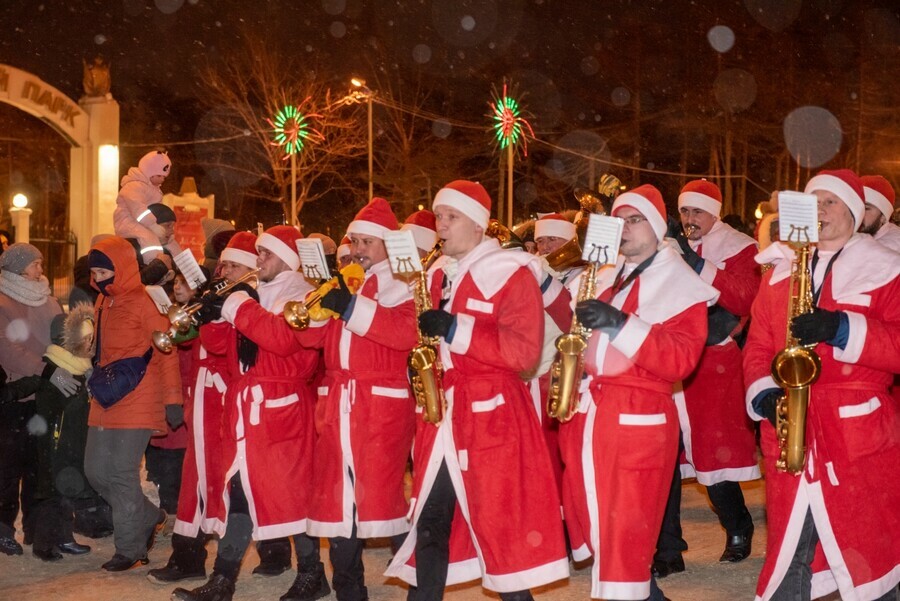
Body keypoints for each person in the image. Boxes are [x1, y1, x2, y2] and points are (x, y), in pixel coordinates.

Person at [386, 180, 569, 601]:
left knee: (499, 525)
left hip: (494, 416)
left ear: (478, 224)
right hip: (444, 415)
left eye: (451, 217)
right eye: (438, 217)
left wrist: (456, 329)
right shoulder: (435, 275)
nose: (441, 226)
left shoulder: (512, 273)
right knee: (431, 519)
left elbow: (523, 354)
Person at [744, 169, 900, 601]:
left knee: (867, 555)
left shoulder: (888, 269)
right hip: (790, 426)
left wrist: (844, 329)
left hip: (856, 434)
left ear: (854, 212)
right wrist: (764, 392)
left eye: (832, 202)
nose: (821, 210)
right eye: (814, 202)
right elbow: (757, 344)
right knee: (790, 549)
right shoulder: (779, 272)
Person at [560, 184, 717, 601]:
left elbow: (681, 359)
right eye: (619, 221)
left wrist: (619, 323)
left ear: (658, 225)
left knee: (626, 533)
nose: (624, 229)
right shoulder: (608, 275)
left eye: (635, 219)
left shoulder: (680, 282)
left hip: (637, 419)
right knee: (601, 528)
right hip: (593, 414)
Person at [172, 226, 325, 601]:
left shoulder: (303, 294)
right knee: (239, 494)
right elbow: (219, 346)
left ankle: (313, 573)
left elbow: (281, 339)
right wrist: (213, 313)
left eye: (266, 254)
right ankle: (223, 580)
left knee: (291, 497)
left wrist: (236, 305)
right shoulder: (254, 295)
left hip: (282, 409)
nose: (258, 261)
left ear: (286, 259)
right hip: (247, 408)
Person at [295, 197, 417, 601]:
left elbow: (404, 335)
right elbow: (309, 339)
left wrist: (350, 306)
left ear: (386, 245)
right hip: (338, 406)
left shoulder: (403, 284)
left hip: (378, 406)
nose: (359, 249)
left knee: (382, 497)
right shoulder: (347, 283)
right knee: (337, 503)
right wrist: (320, 309)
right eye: (356, 241)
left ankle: (419, 578)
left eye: (368, 242)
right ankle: (350, 591)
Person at [652, 180, 761, 577]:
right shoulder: (671, 244)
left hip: (715, 362)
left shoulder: (740, 246)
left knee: (714, 457)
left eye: (697, 211)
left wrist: (697, 263)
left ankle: (738, 525)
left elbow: (745, 298)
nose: (690, 219)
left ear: (715, 211)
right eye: (685, 212)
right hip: (672, 360)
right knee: (666, 457)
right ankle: (668, 549)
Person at [148, 232, 260, 586]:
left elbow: (219, 347)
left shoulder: (247, 302)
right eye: (224, 264)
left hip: (224, 399)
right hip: (203, 395)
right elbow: (183, 338)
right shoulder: (219, 297)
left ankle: (237, 559)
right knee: (193, 479)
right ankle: (187, 556)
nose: (224, 270)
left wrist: (214, 313)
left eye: (233, 265)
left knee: (220, 481)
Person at [82, 236, 182, 572]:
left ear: (121, 267)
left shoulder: (146, 302)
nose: (98, 278)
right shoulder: (102, 302)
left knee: (122, 474)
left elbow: (166, 352)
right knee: (95, 472)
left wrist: (172, 400)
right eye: (94, 271)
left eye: (104, 270)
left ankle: (130, 549)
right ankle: (151, 515)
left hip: (139, 396)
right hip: (106, 396)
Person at [0, 243, 65, 555]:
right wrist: (45, 369)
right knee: (8, 468)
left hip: (46, 395)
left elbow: (62, 337)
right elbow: (8, 350)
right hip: (15, 396)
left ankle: (37, 530)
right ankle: (2, 528)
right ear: (18, 267)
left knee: (40, 468)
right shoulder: (2, 301)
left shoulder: (48, 300)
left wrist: (67, 361)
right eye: (35, 264)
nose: (41, 269)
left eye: (41, 263)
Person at [25, 306, 96, 561]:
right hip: (54, 443)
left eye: (91, 338)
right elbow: (45, 405)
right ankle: (44, 544)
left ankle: (65, 537)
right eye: (85, 339)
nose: (91, 344)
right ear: (70, 341)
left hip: (72, 442)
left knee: (68, 489)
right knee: (51, 494)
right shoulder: (56, 369)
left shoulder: (81, 366)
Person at [113, 150, 174, 262]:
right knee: (148, 237)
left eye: (164, 177)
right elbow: (138, 209)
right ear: (149, 172)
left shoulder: (154, 189)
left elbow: (157, 210)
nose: (162, 179)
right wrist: (153, 225)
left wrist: (164, 229)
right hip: (127, 222)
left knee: (170, 241)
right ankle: (155, 264)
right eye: (159, 175)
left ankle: (184, 268)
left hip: (142, 223)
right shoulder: (134, 186)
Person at [859, 175, 900, 252]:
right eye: (856, 206)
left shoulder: (891, 249)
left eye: (866, 208)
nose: (859, 214)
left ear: (883, 217)